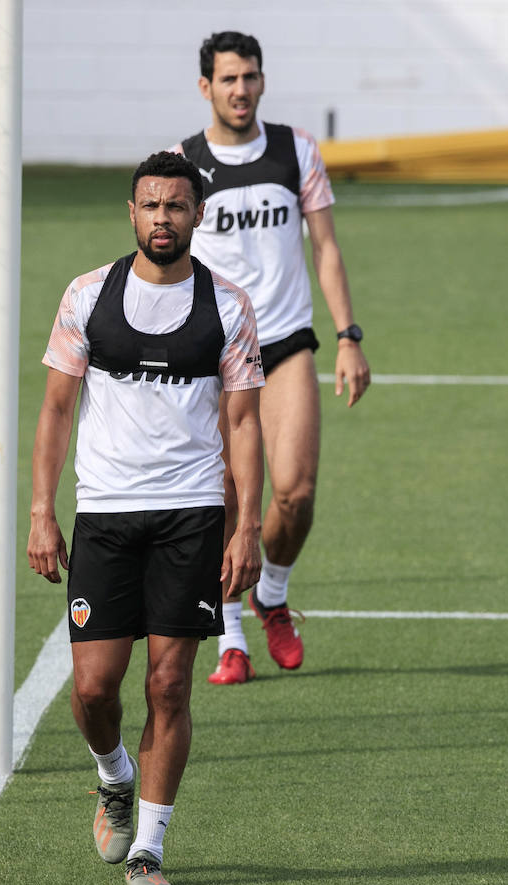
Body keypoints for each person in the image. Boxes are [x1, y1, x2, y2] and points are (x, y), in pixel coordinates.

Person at [27, 150, 265, 885]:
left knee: (169, 685)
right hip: (103, 515)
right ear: (131, 213)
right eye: (150, 205)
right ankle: (113, 774)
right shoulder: (87, 296)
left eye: (176, 205)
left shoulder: (227, 305)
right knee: (95, 689)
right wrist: (42, 511)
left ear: (196, 214)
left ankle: (150, 848)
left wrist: (246, 525)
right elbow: (57, 409)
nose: (163, 217)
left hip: (189, 515)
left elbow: (245, 422)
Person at [175, 31, 372, 686]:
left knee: (296, 491)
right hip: (216, 352)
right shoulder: (186, 164)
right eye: (228, 79)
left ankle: (275, 593)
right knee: (229, 499)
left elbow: (327, 250)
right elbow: (167, 262)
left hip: (287, 342)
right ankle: (231, 638)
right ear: (206, 86)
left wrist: (349, 336)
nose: (241, 89)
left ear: (263, 81)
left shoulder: (295, 151)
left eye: (250, 77)